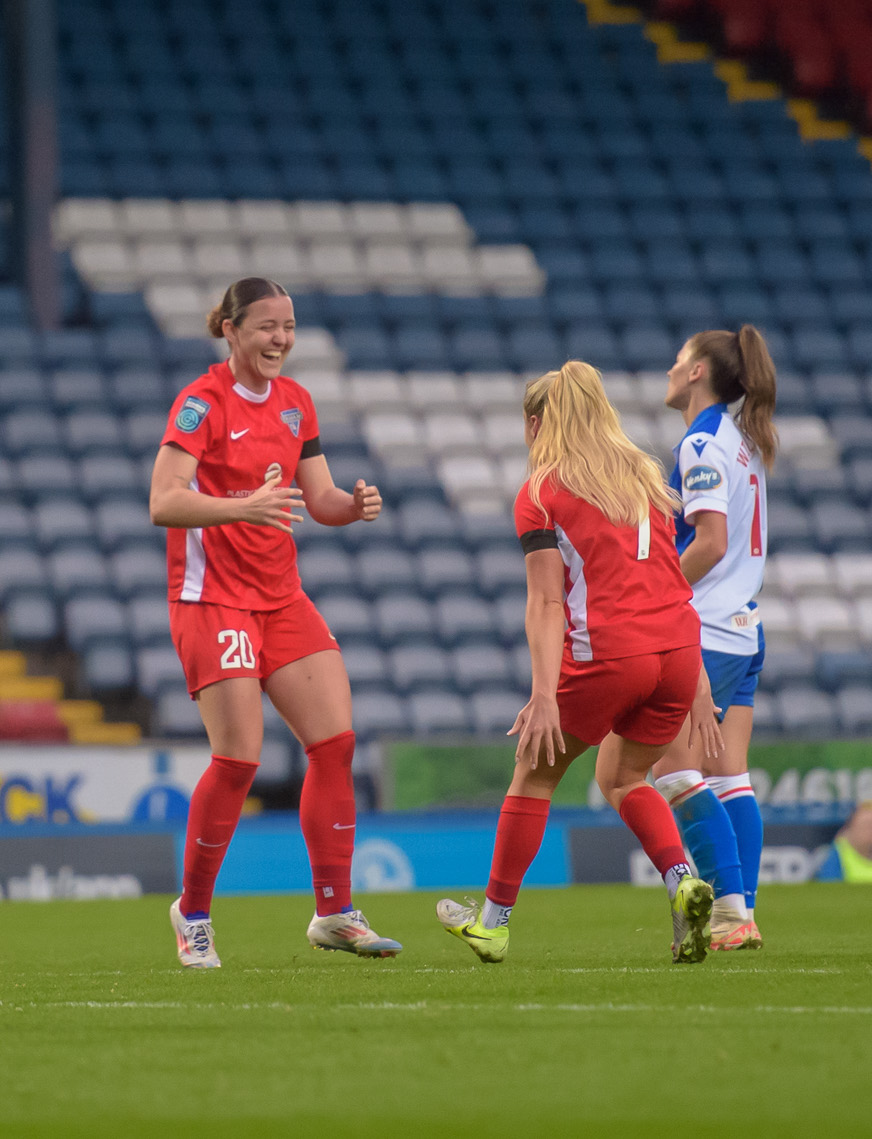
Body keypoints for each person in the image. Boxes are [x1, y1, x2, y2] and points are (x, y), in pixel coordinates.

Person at [150, 276, 400, 969]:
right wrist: (239, 507)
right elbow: (163, 501)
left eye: (287, 327)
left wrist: (351, 505)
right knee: (238, 760)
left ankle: (334, 911)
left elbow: (314, 496)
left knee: (336, 742)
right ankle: (192, 913)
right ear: (229, 330)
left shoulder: (296, 403)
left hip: (280, 596)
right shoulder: (201, 403)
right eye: (266, 327)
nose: (280, 339)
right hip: (212, 598)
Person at [438, 361, 721, 965]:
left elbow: (544, 601)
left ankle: (492, 924)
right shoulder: (645, 477)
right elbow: (674, 582)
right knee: (623, 778)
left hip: (612, 655)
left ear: (536, 423)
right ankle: (682, 882)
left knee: (533, 773)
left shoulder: (542, 492)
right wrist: (695, 678)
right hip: (676, 652)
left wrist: (544, 693)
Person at [646, 328, 776, 950]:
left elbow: (711, 540)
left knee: (672, 770)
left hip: (705, 630)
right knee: (730, 777)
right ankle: (741, 914)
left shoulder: (701, 441)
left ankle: (727, 908)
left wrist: (654, 592)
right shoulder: (744, 441)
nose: (670, 370)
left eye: (678, 361)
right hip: (745, 627)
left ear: (698, 371)